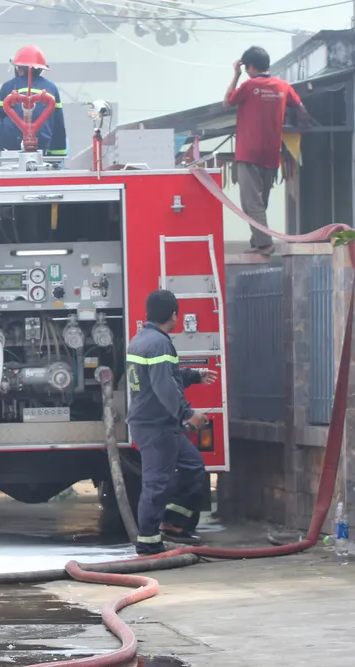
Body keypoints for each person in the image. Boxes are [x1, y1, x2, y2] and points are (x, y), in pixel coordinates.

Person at [126, 290, 218, 555]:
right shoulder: (159, 344)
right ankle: (148, 541)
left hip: (156, 424)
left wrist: (194, 375)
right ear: (174, 315)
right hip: (156, 426)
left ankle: (173, 522)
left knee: (194, 466)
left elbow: (166, 375)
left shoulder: (143, 339)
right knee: (156, 482)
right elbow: (164, 386)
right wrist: (187, 414)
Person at [223, 45, 309, 257]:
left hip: (248, 153)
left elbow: (227, 102)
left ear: (250, 66)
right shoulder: (283, 86)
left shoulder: (249, 85)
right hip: (271, 154)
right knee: (261, 203)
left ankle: (264, 244)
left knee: (250, 203)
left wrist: (236, 74)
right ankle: (257, 241)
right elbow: (301, 109)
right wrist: (301, 129)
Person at [0, 45, 67, 158]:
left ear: (19, 69)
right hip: (42, 143)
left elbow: (1, 114)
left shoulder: (8, 86)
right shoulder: (51, 88)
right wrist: (57, 158)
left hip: (12, 142)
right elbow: (58, 124)